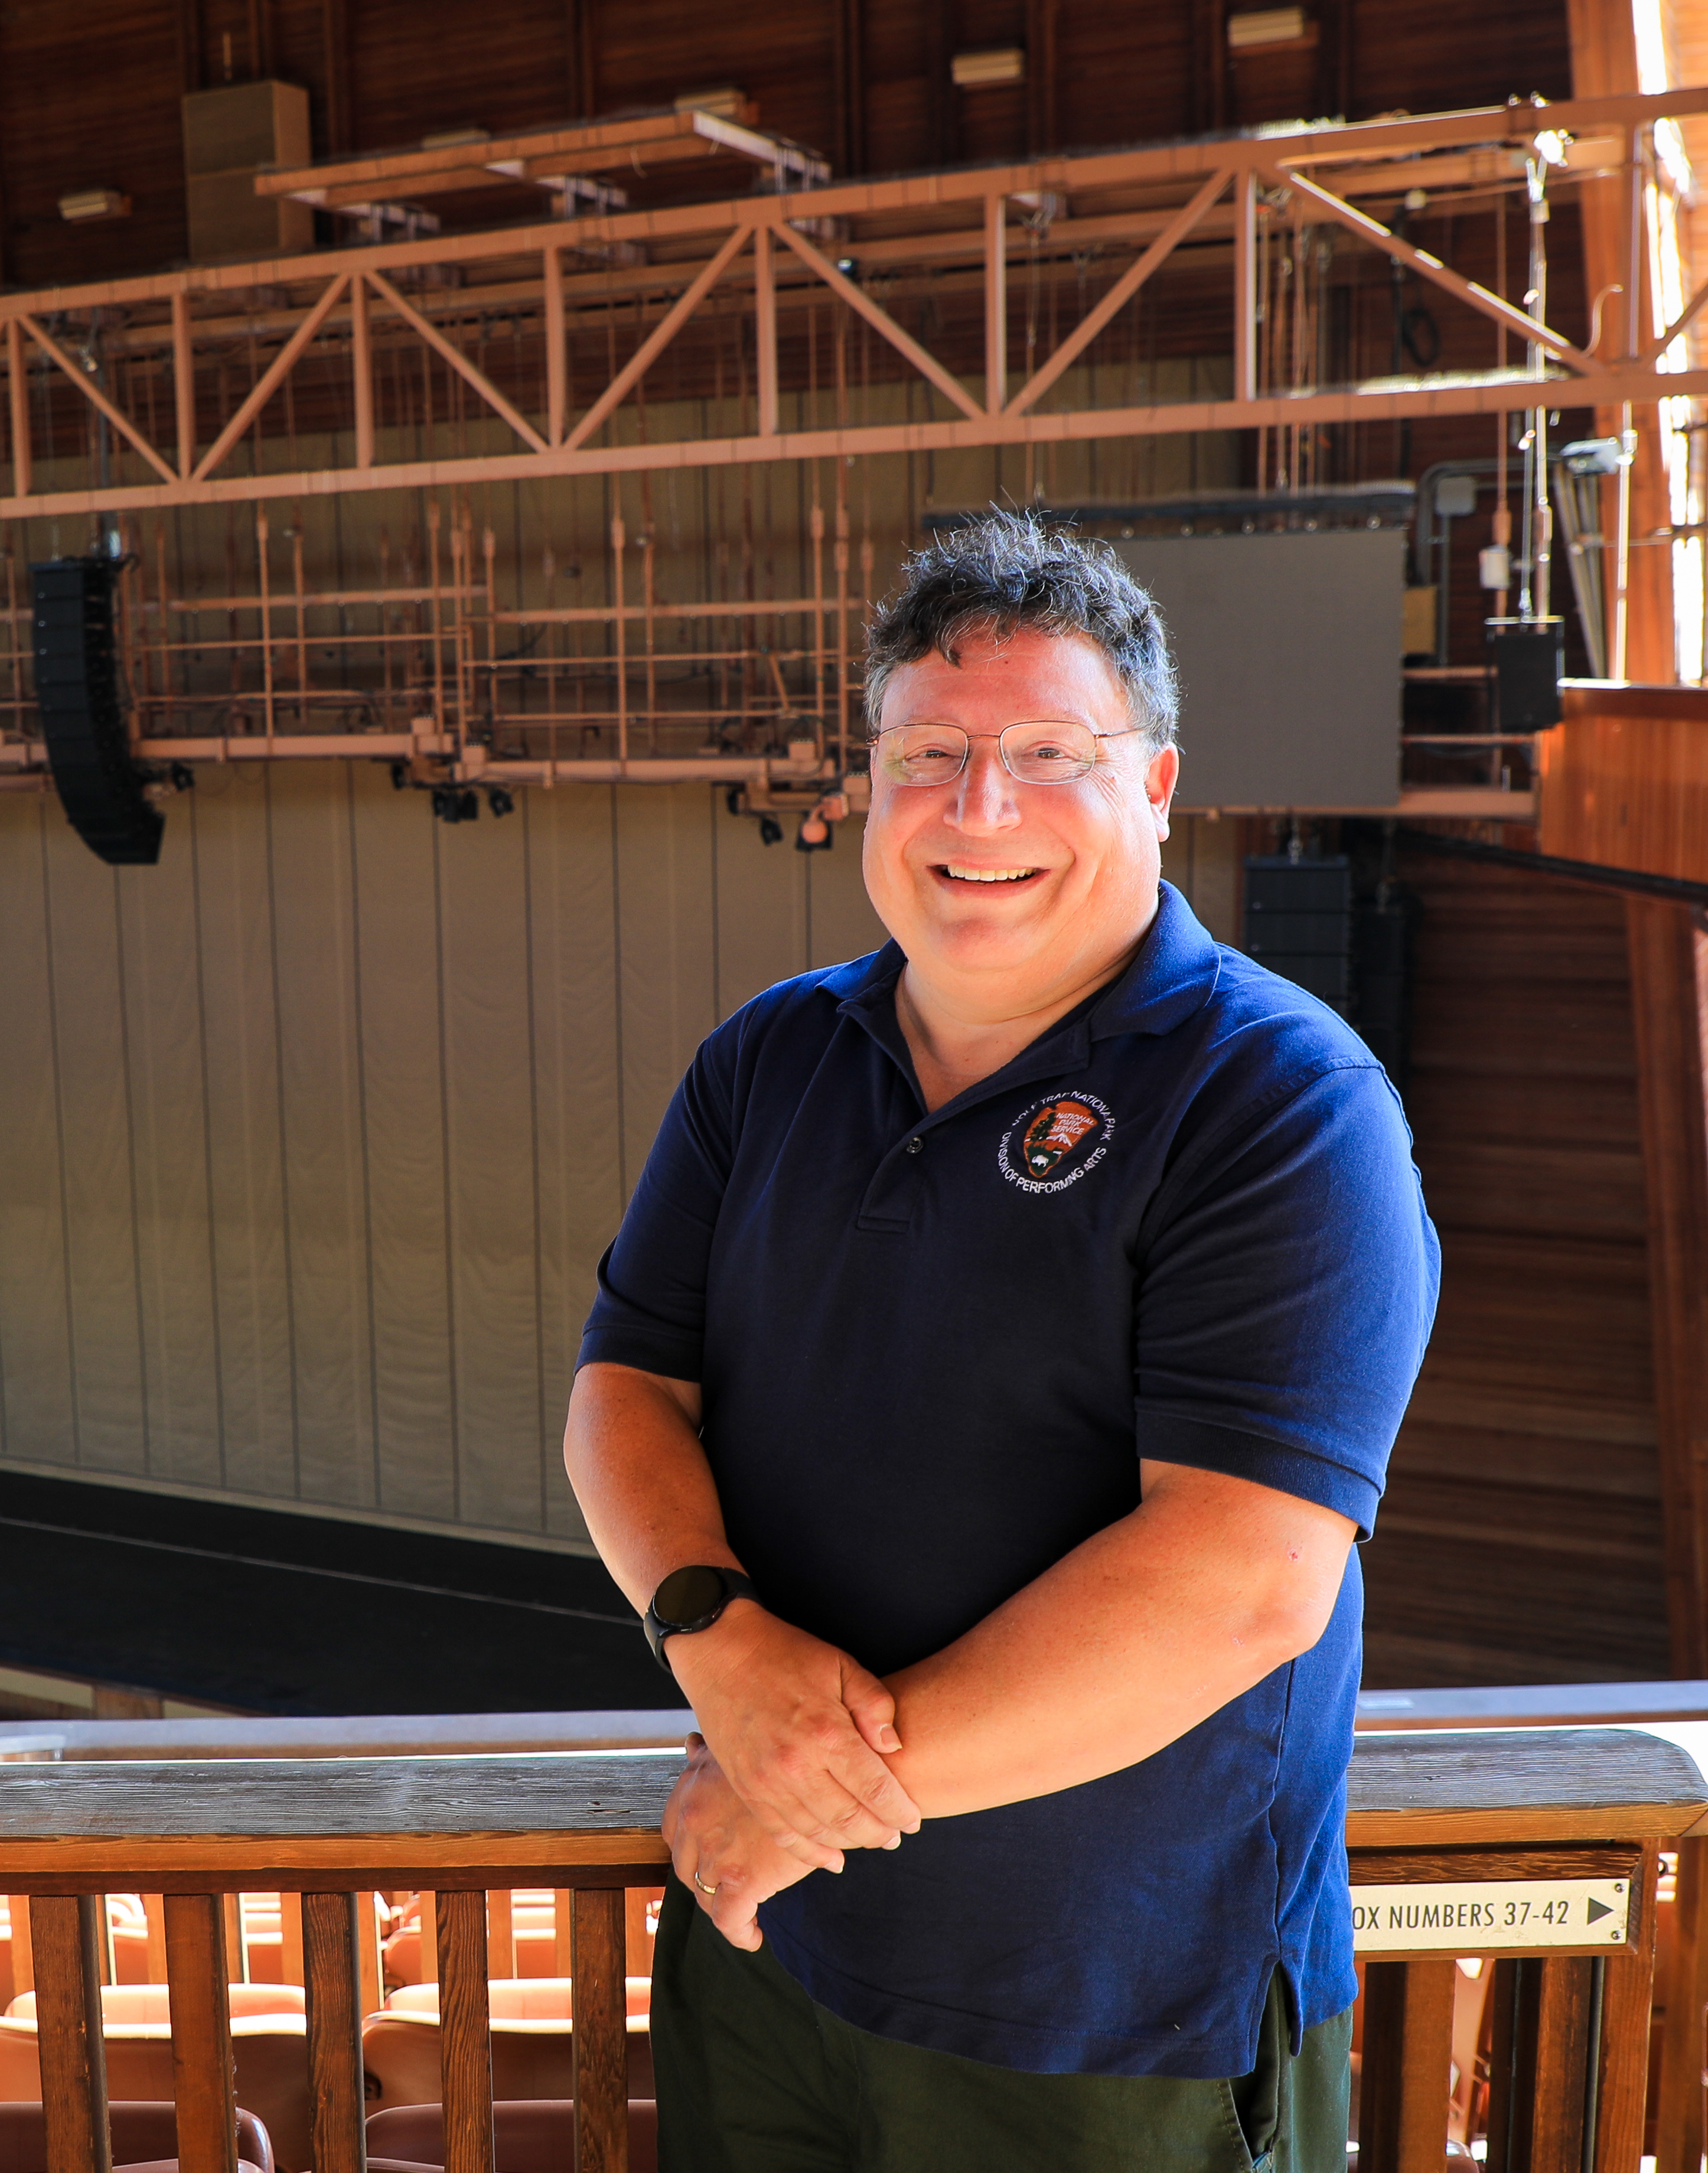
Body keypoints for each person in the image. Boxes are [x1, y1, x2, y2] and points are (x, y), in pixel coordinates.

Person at [563, 510, 1439, 2172]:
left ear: (1159, 787)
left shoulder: (1282, 1104)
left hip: (1113, 2019)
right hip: (773, 1962)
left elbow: (1243, 1580)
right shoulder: (766, 1063)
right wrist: (716, 1639)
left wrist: (788, 1797)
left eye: (1048, 751)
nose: (979, 809)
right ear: (870, 787)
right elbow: (622, 1394)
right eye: (929, 756)